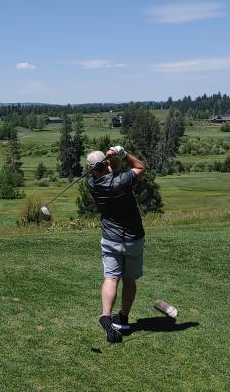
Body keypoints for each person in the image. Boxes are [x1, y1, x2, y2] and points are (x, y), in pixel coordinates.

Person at [85, 145, 146, 343]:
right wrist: (122, 154)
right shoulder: (122, 181)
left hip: (110, 238)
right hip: (133, 238)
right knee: (129, 279)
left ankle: (106, 315)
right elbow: (140, 167)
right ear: (105, 164)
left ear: (91, 169)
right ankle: (124, 319)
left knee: (111, 278)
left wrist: (108, 160)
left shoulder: (91, 183)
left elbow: (105, 171)